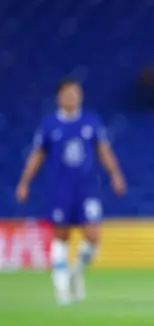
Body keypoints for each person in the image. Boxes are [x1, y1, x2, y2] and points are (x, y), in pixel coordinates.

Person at [16, 78, 126, 305]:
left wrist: (115, 174)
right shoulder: (50, 125)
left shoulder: (90, 121)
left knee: (93, 236)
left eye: (76, 93)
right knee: (61, 236)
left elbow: (103, 150)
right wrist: (25, 182)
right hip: (60, 190)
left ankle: (76, 273)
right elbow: (37, 155)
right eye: (68, 93)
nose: (72, 97)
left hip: (86, 189)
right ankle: (62, 288)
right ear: (60, 97)